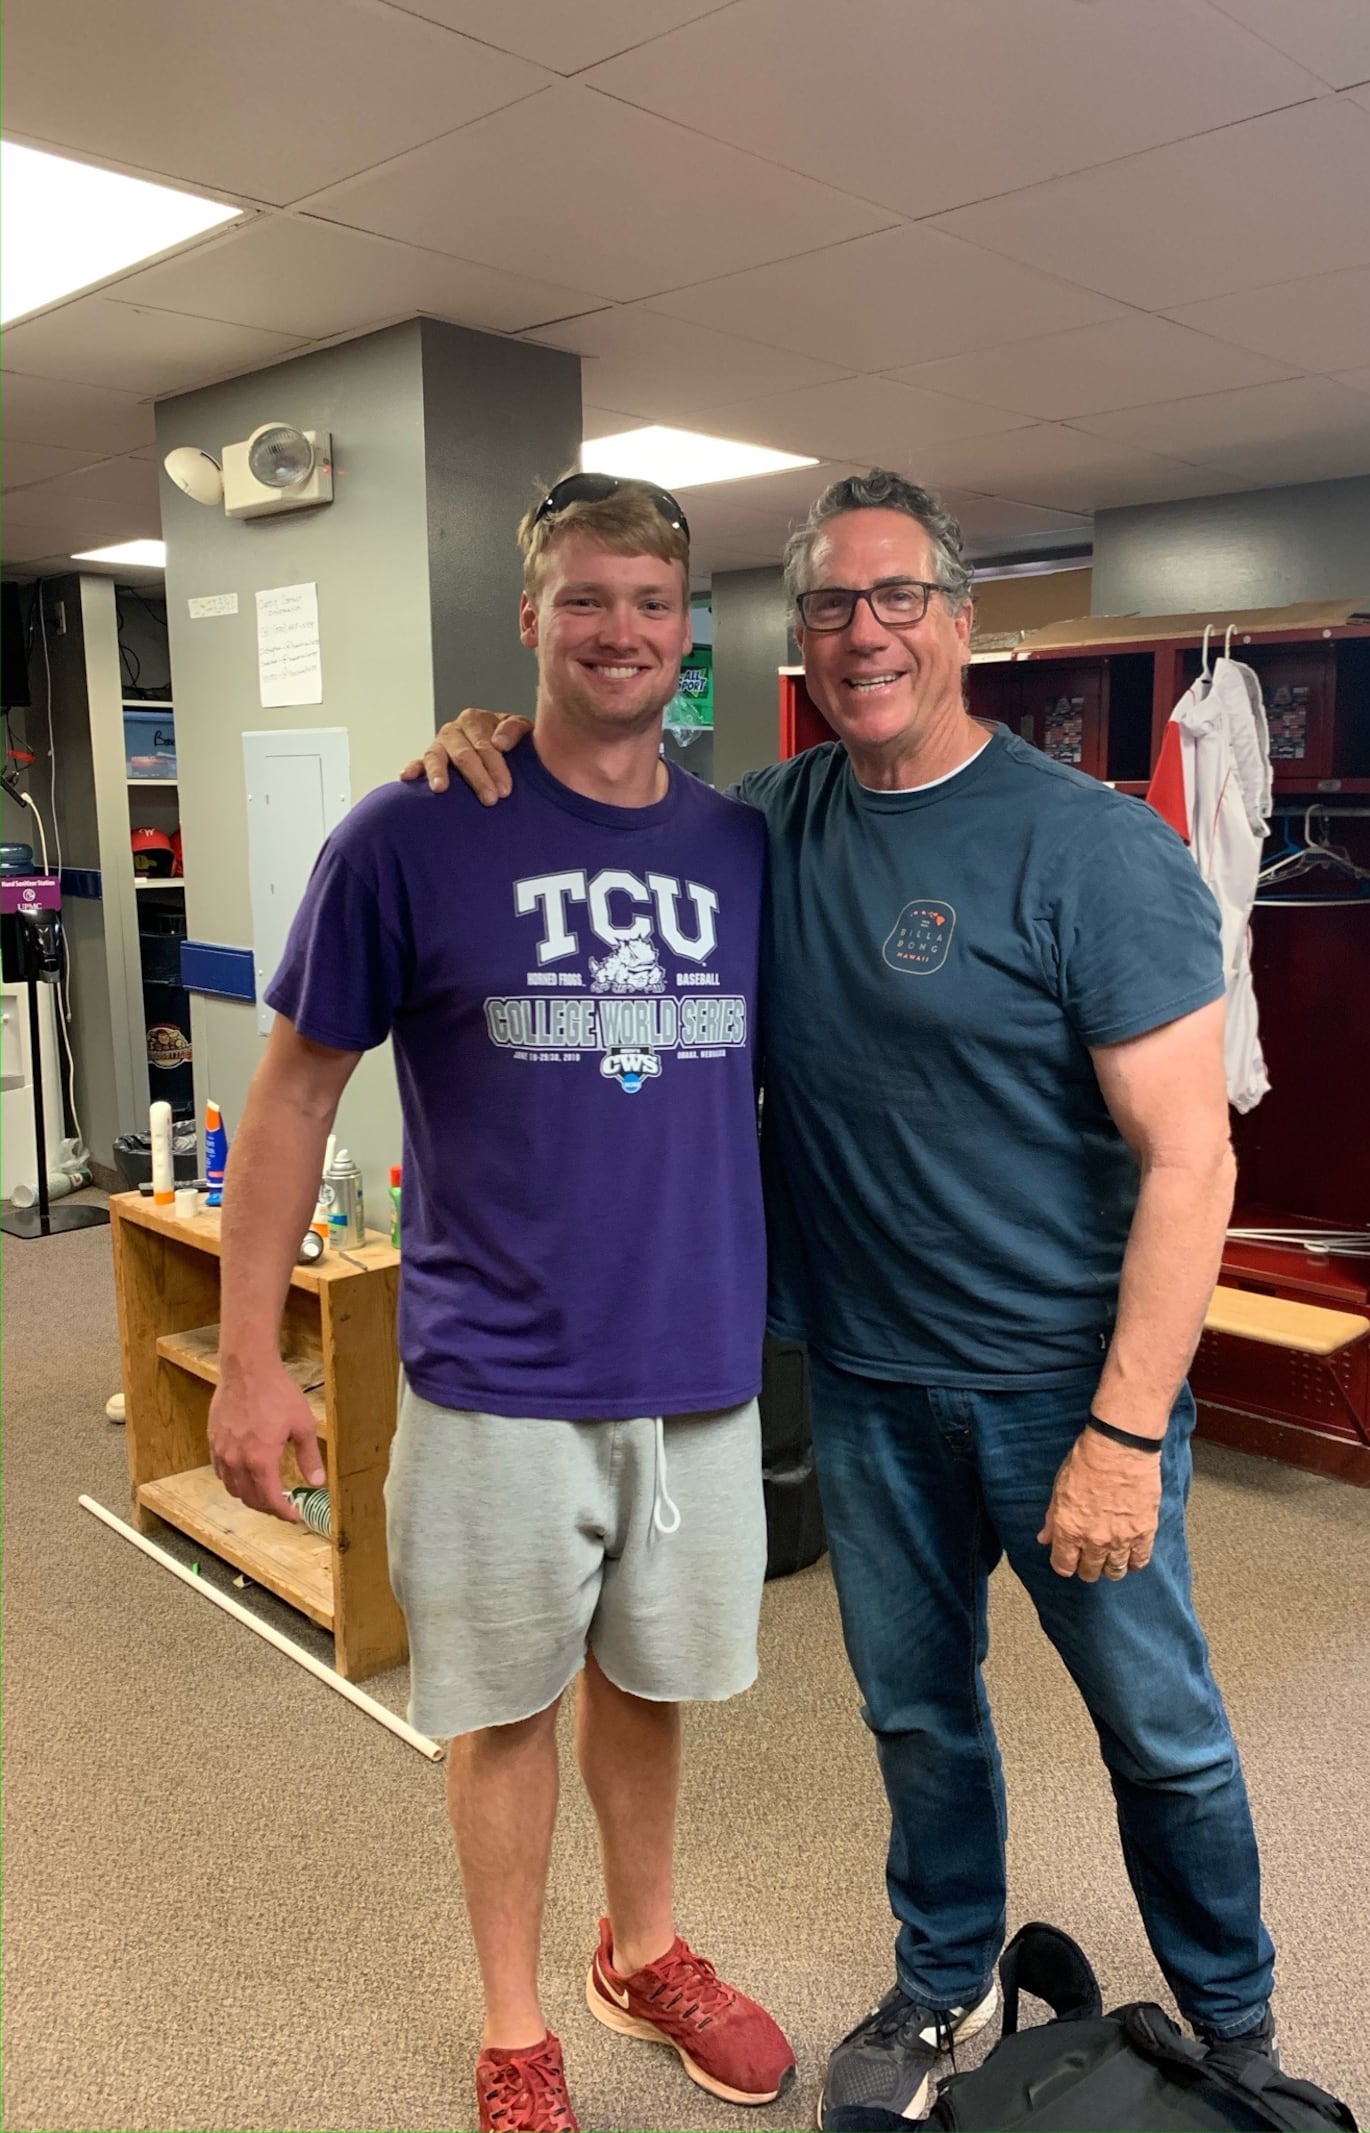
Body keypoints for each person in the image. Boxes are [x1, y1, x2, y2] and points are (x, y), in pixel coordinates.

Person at [411, 469, 1277, 2128]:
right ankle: (944, 1975)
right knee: (918, 1714)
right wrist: (483, 748)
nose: (864, 630)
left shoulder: (1095, 848)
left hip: (1062, 1388)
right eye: (828, 602)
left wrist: (1123, 1427)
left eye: (898, 598)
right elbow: (607, 800)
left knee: (1157, 1725)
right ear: (796, 632)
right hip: (868, 1383)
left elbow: (1192, 1164)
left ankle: (1235, 2022)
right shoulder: (768, 827)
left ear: (961, 620)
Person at [211, 472, 795, 2133]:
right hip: (496, 1378)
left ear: (690, 635)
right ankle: (518, 2022)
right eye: (587, 598)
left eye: (652, 603)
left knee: (655, 1682)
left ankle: (648, 1948)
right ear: (531, 617)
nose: (621, 629)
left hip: (695, 1372)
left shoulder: (743, 846)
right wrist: (251, 1360)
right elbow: (293, 1100)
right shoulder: (410, 831)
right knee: (504, 1704)